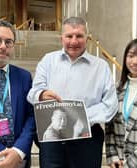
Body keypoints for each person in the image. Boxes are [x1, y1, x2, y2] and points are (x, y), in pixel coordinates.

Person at [27, 16, 118, 168]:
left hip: (87, 139)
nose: (74, 41)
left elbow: (110, 105)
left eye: (79, 36)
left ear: (87, 38)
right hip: (53, 139)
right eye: (69, 36)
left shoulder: (101, 67)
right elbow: (32, 93)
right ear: (61, 37)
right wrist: (41, 95)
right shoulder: (47, 61)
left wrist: (79, 118)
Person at [105, 38, 137, 168]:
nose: (135, 61)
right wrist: (113, 157)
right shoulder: (117, 89)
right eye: (131, 56)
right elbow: (110, 128)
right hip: (119, 163)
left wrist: (131, 165)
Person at [0, 20, 36, 168]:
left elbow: (31, 117)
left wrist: (18, 151)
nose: (3, 46)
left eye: (8, 42)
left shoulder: (24, 77)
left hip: (19, 160)